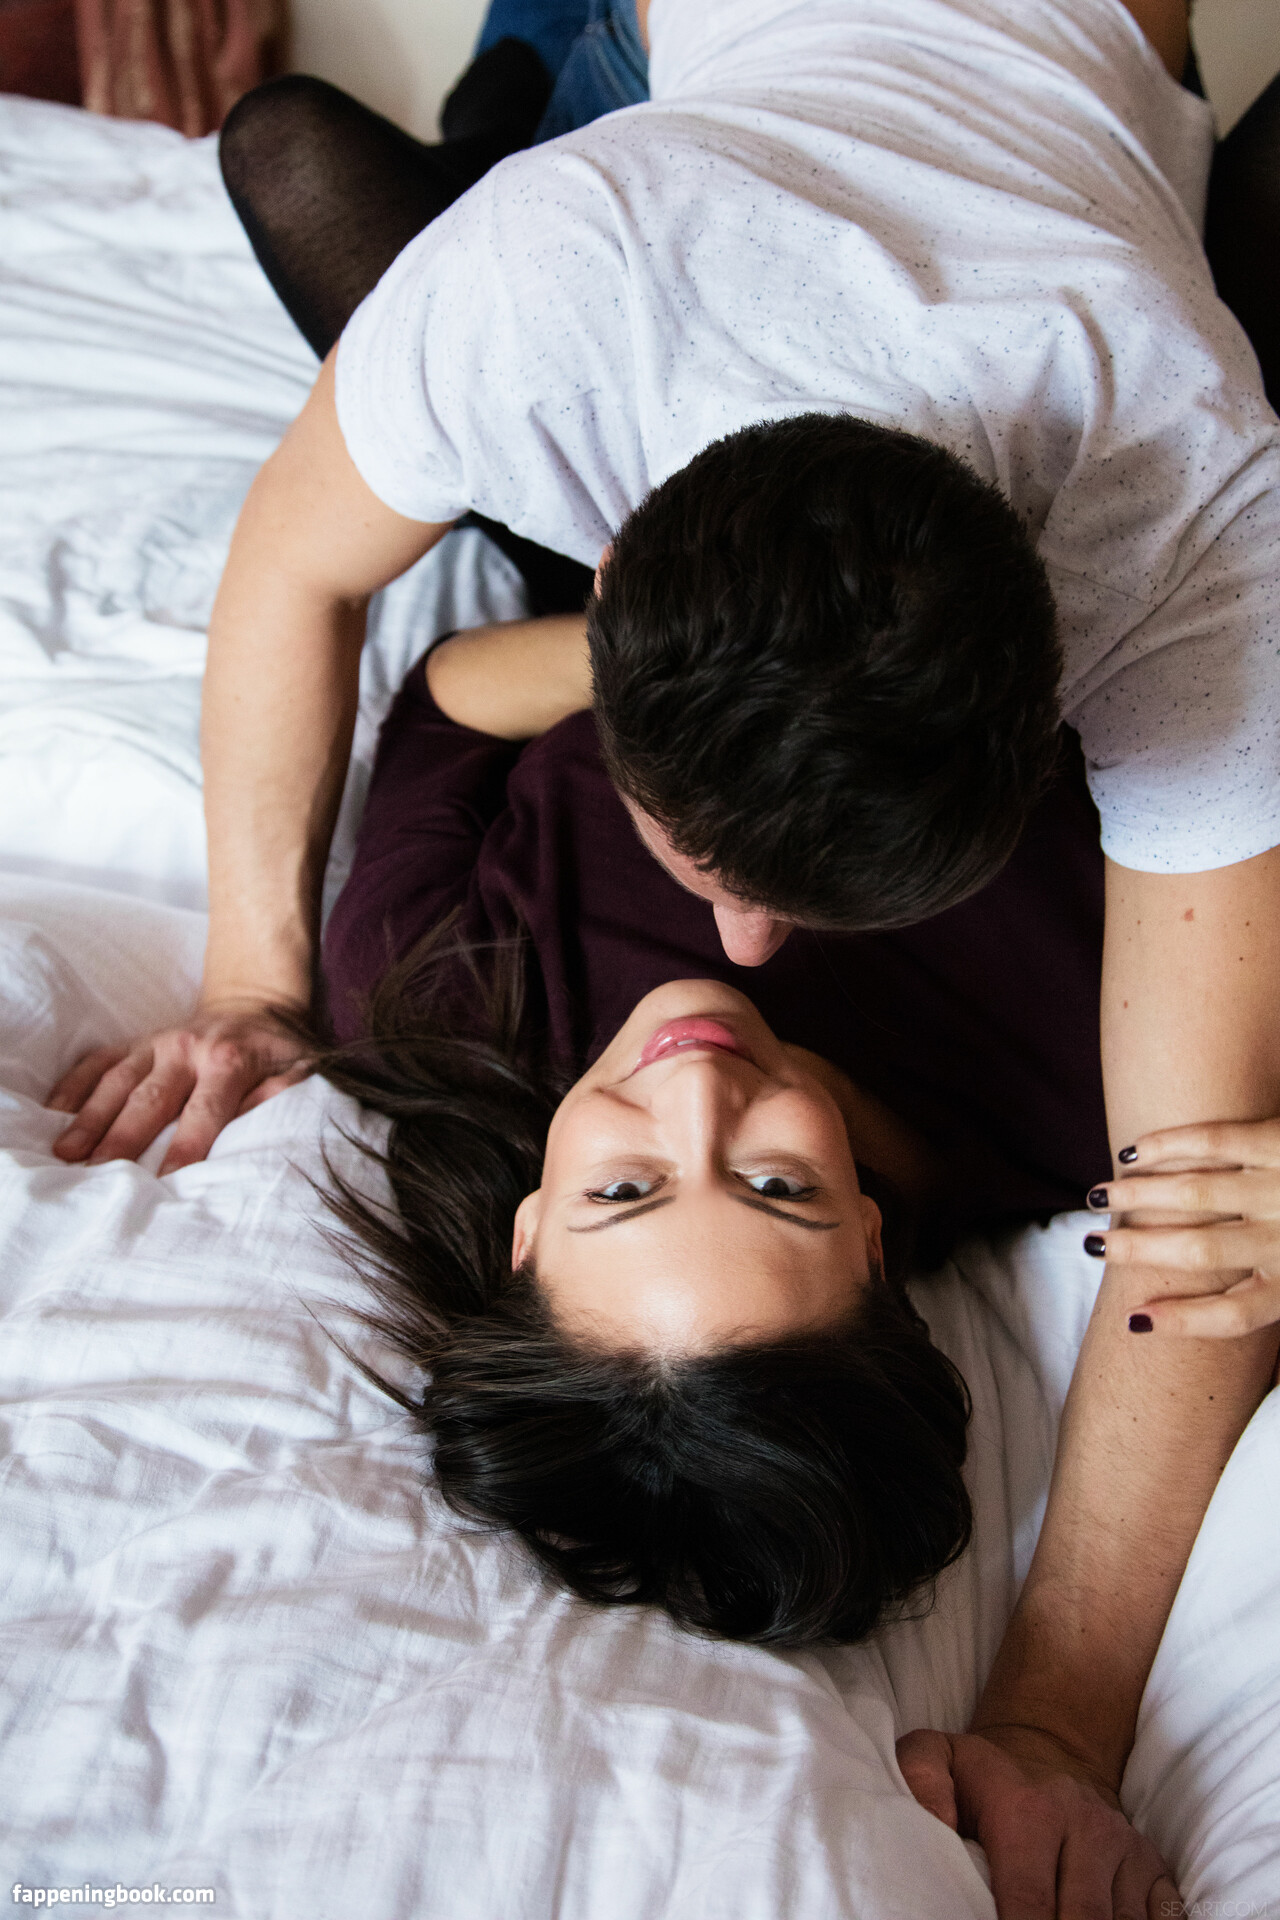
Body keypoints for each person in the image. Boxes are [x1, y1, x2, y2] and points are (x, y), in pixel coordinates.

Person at [44, 1, 1280, 1913]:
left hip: (941, 187)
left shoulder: (1177, 527)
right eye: (773, 1185)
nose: (722, 1007)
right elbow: (1200, 1244)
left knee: (315, 156)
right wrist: (1050, 1722)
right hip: (745, 162)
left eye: (629, 1186)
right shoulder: (556, 287)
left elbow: (416, 673)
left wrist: (264, 991)